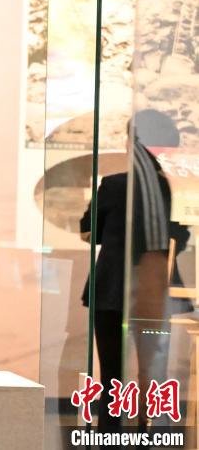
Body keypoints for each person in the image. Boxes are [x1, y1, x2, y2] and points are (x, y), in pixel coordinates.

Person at [80, 109, 192, 432]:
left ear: (132, 142)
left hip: (112, 290)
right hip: (155, 289)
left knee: (112, 376)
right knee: (152, 375)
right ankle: (146, 435)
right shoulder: (171, 187)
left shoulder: (114, 185)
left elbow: (88, 231)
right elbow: (179, 237)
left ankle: (109, 435)